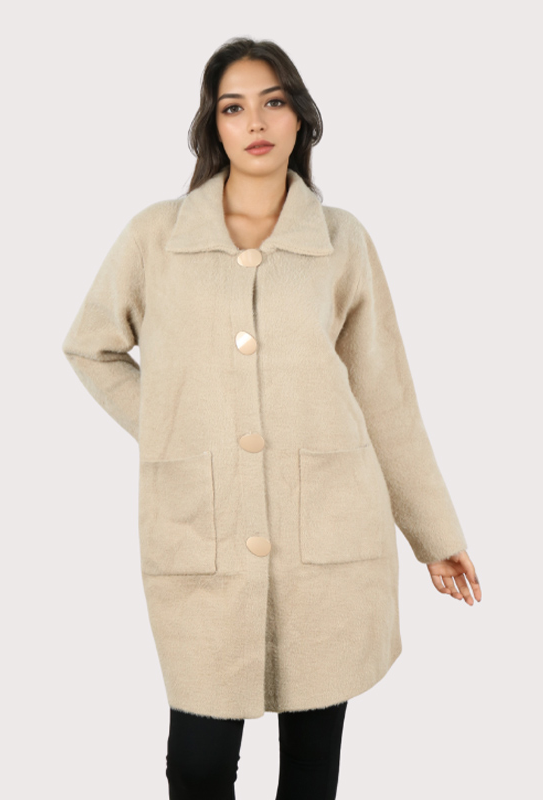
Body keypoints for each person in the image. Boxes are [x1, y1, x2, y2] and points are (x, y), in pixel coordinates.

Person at [62, 36, 481, 800]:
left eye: (273, 101)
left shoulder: (341, 241)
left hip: (329, 536)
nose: (254, 121)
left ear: (300, 119)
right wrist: (172, 432)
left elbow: (386, 397)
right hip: (202, 533)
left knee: (311, 770)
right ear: (213, 127)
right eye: (233, 107)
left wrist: (435, 535)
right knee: (197, 764)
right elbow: (91, 348)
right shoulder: (157, 236)